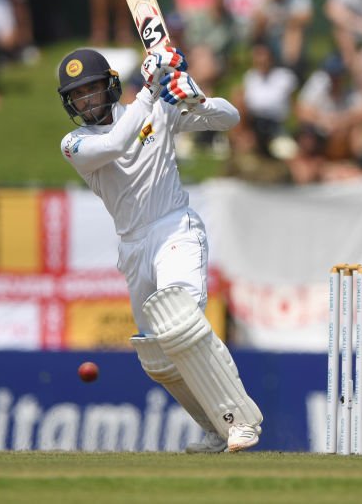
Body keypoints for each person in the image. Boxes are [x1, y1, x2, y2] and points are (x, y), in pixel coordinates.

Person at [56, 46, 262, 453]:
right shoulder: (75, 142)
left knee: (180, 321)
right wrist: (150, 90)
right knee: (157, 356)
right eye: (78, 95)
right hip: (132, 246)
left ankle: (241, 421)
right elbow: (116, 143)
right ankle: (214, 429)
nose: (87, 101)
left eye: (93, 89)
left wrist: (195, 96)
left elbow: (229, 119)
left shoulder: (156, 109)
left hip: (174, 229)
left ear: (110, 86)